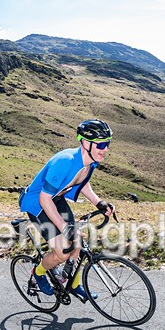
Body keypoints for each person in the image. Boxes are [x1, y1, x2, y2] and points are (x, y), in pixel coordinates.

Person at [19, 118, 115, 301]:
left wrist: (99, 203)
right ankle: (39, 272)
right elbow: (44, 199)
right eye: (101, 144)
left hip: (56, 200)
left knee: (77, 240)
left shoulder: (90, 161)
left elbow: (82, 183)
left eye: (107, 144)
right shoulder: (65, 161)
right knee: (62, 252)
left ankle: (74, 284)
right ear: (86, 143)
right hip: (38, 204)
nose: (106, 149)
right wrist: (63, 227)